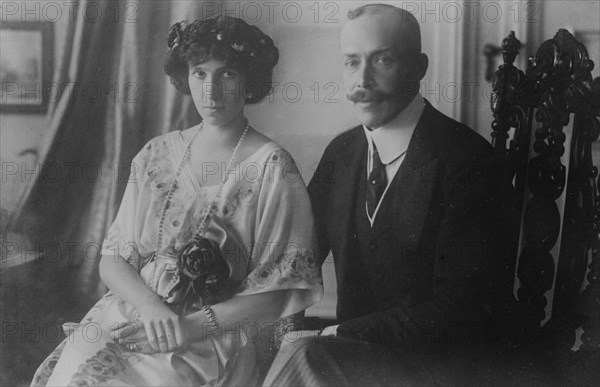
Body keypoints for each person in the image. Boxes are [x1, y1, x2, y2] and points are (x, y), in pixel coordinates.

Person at [31, 16, 322, 387]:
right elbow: (114, 258)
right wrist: (151, 309)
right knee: (77, 376)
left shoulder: (273, 168)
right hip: (133, 313)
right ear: (186, 77)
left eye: (228, 74)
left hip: (210, 334)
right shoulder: (156, 154)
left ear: (249, 79)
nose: (212, 91)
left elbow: (278, 292)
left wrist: (187, 328)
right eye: (200, 74)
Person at [264, 4, 517, 386]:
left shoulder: (467, 161)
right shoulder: (342, 155)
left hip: (445, 367)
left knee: (303, 356)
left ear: (419, 68)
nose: (362, 80)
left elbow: (464, 308)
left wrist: (337, 335)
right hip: (355, 361)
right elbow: (297, 259)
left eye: (382, 60)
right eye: (351, 62)